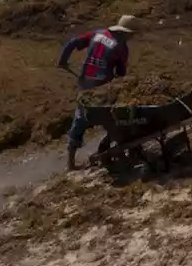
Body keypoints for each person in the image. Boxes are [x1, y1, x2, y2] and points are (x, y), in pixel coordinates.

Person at [56, 14, 137, 170]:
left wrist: (63, 61)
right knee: (112, 119)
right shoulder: (121, 47)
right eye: (132, 34)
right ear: (126, 32)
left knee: (80, 117)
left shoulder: (97, 33)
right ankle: (119, 151)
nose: (132, 37)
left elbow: (73, 42)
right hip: (102, 87)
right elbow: (120, 74)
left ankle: (70, 164)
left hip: (85, 83)